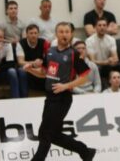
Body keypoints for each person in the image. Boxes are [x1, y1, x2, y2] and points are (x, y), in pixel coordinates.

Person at [24, 22, 96, 161]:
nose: (64, 34)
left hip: (63, 98)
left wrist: (66, 86)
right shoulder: (50, 52)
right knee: (54, 135)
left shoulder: (74, 53)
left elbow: (84, 77)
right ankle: (85, 152)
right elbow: (45, 73)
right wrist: (30, 70)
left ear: (71, 34)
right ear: (56, 34)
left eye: (67, 32)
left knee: (45, 133)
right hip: (50, 97)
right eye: (61, 31)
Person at [16, 24, 49, 91]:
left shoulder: (44, 42)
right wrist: (33, 63)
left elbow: (49, 58)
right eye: (31, 33)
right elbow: (20, 62)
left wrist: (41, 63)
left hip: (41, 67)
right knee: (22, 71)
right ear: (27, 34)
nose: (33, 35)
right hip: (27, 68)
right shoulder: (21, 43)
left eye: (35, 33)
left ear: (38, 34)